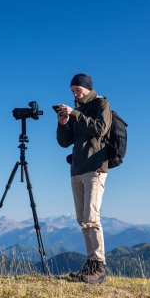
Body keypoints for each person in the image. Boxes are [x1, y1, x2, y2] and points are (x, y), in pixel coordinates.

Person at [56, 73, 112, 284]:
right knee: (82, 219)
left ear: (87, 88)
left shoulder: (101, 104)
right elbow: (64, 142)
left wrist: (75, 115)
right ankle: (90, 265)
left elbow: (100, 129)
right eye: (72, 90)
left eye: (77, 89)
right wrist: (63, 123)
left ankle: (99, 265)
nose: (74, 93)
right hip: (77, 168)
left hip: (95, 167)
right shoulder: (76, 110)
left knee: (91, 216)